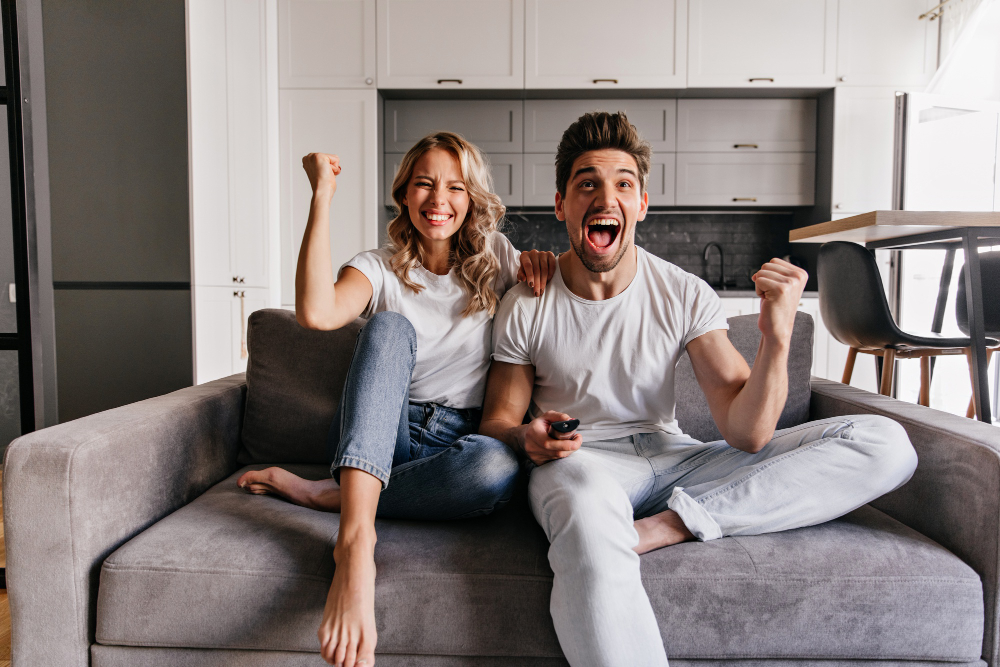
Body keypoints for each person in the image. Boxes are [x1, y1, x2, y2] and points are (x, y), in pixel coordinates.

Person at [479, 112, 919, 667]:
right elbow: (496, 423)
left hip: (676, 459)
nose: (604, 196)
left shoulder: (683, 292)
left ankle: (678, 523)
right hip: (582, 463)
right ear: (562, 203)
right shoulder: (527, 303)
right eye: (586, 183)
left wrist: (775, 338)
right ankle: (661, 523)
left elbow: (748, 432)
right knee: (588, 525)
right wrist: (529, 439)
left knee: (884, 442)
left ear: (641, 204)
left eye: (622, 184)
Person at [237, 131, 556, 667]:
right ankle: (355, 545)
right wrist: (322, 196)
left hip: (463, 444)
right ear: (404, 193)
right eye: (425, 184)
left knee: (496, 469)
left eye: (455, 187)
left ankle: (328, 495)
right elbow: (316, 313)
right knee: (386, 328)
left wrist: (543, 263)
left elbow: (557, 292)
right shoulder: (377, 267)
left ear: (472, 199)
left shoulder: (497, 258)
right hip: (386, 436)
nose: (439, 200)